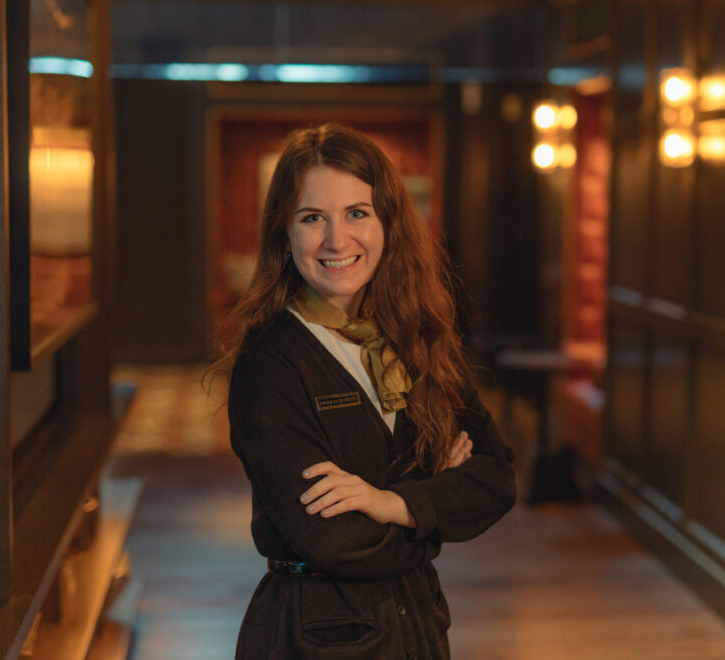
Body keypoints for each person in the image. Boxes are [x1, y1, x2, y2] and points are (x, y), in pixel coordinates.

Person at [212, 123, 517, 659]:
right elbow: (332, 539)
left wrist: (388, 501)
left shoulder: (418, 337)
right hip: (318, 635)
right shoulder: (270, 365)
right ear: (284, 233)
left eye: (357, 213)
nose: (336, 240)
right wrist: (437, 491)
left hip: (417, 622)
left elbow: (496, 477)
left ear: (388, 223)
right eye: (312, 218)